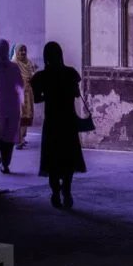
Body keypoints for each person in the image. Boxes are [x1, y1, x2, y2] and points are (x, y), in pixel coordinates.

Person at [30, 41, 86, 209]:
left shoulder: (41, 77)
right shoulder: (70, 73)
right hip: (68, 121)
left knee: (52, 159)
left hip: (52, 122)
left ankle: (55, 192)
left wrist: (51, 95)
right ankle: (67, 192)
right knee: (68, 159)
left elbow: (37, 99)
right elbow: (76, 94)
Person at [0, 39, 24, 174]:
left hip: (3, 108)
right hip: (7, 107)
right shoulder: (10, 67)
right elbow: (20, 86)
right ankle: (4, 162)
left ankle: (3, 162)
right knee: (6, 137)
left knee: (3, 137)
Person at [11, 43, 37, 149]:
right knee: (19, 116)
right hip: (18, 94)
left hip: (28, 92)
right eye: (21, 50)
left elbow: (33, 73)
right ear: (16, 52)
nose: (23, 52)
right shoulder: (13, 64)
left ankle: (23, 137)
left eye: (24, 50)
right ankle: (18, 140)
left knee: (27, 115)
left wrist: (33, 74)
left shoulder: (29, 62)